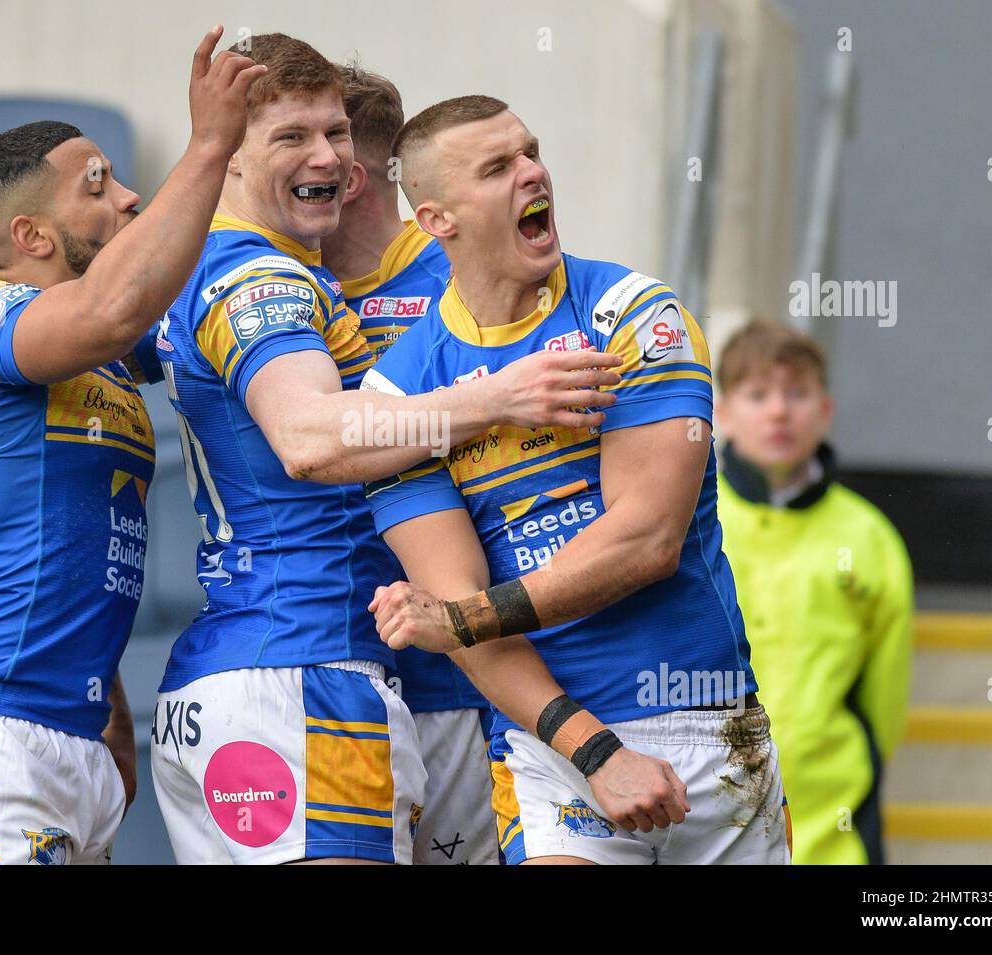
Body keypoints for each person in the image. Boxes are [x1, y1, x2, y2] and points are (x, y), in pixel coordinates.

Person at [149, 35, 623, 865]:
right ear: (226, 156)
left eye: (335, 133)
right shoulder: (261, 277)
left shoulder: (206, 262)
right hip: (307, 663)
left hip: (261, 669)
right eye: (292, 136)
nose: (331, 157)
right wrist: (499, 396)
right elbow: (305, 437)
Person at [0, 26, 266, 865]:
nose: (127, 198)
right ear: (38, 238)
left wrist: (110, 714)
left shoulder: (95, 359)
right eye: (100, 186)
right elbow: (103, 309)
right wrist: (209, 144)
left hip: (67, 738)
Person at [366, 95, 791, 864]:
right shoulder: (400, 395)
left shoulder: (634, 312)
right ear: (436, 221)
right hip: (553, 741)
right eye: (498, 167)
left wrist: (463, 619)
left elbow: (647, 541)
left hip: (713, 724)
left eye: (531, 151)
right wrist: (595, 751)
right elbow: (454, 603)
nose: (533, 172)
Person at [318, 63, 495, 865]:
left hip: (458, 679)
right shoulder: (267, 286)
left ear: (347, 177)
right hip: (324, 667)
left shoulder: (470, 284)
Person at [714, 319, 913, 865]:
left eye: (797, 393)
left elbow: (885, 692)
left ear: (824, 411)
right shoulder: (691, 519)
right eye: (758, 394)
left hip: (832, 818)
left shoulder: (868, 536)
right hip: (703, 804)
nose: (779, 411)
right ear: (724, 414)